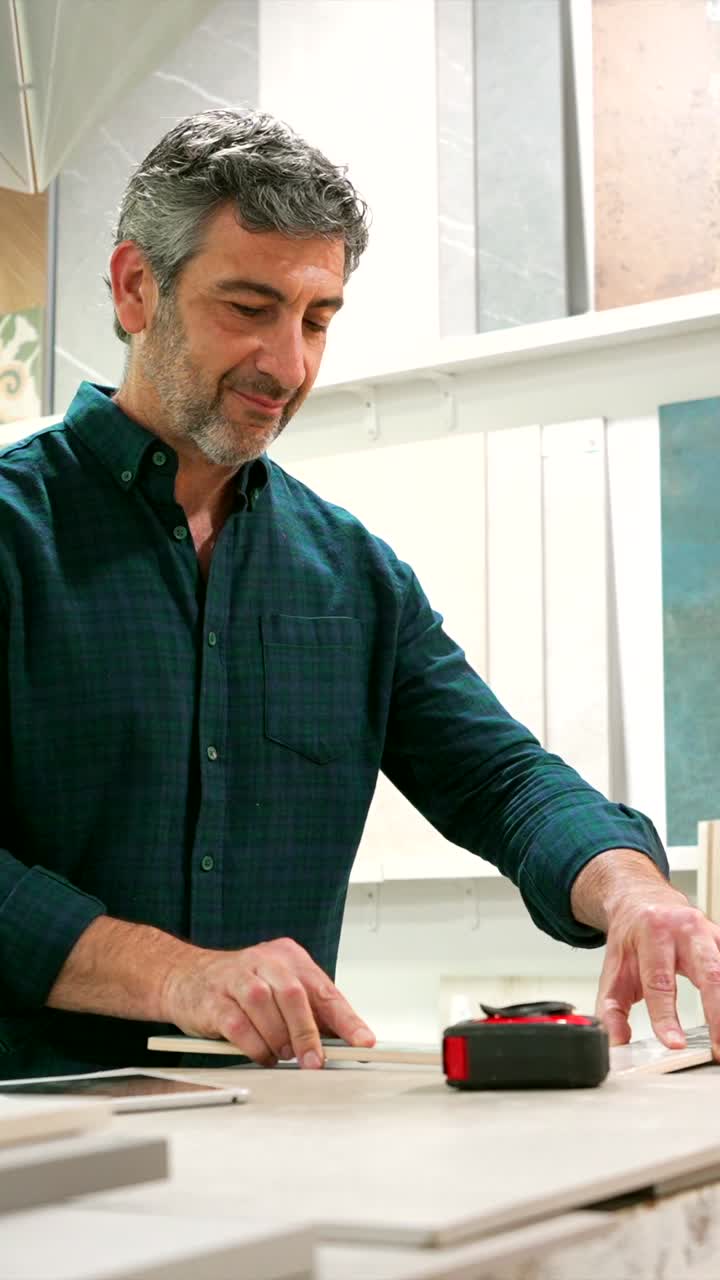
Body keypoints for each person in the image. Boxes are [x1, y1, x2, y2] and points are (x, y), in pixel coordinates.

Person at [1, 109, 719, 1080]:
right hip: (34, 1141)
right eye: (248, 307)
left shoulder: (353, 576)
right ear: (138, 287)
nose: (288, 365)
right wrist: (175, 976)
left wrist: (633, 887)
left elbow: (502, 781)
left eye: (317, 318)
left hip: (287, 1141)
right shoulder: (13, 536)